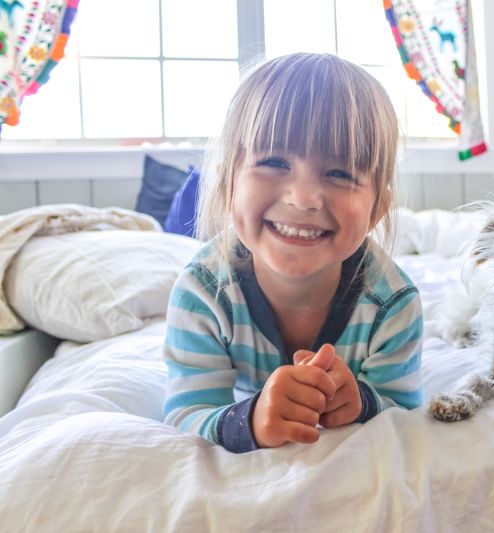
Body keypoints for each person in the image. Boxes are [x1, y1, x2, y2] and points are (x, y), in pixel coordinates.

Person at [162, 53, 423, 453]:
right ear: (230, 180)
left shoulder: (391, 305)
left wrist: (362, 403)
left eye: (339, 173)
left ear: (377, 210)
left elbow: (402, 412)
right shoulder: (203, 291)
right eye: (273, 162)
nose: (302, 199)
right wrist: (249, 418)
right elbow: (187, 414)